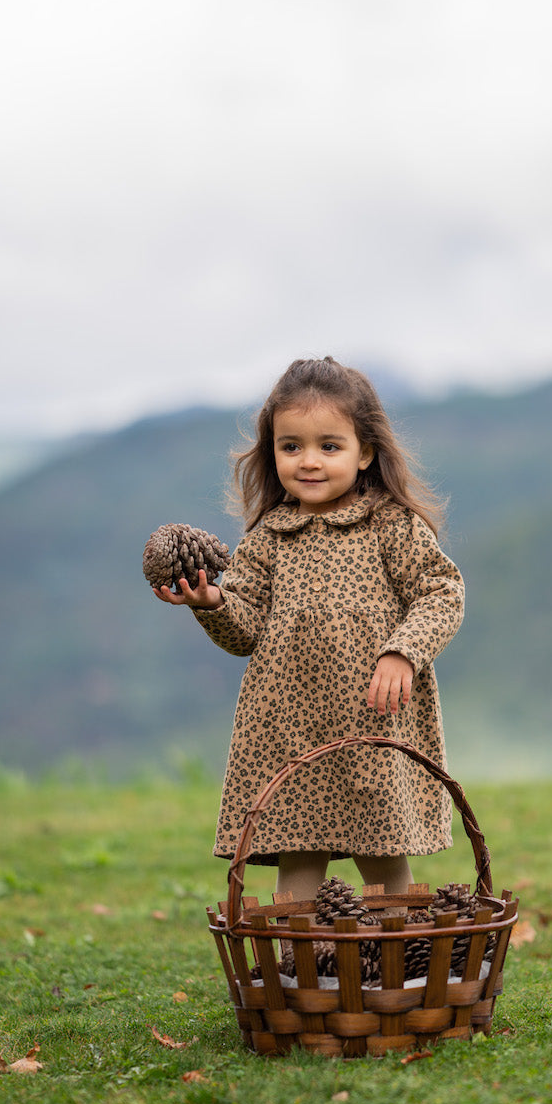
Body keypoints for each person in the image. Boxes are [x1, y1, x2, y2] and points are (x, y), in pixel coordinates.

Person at [152, 356, 464, 902]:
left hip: (373, 719)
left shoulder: (390, 524)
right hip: (288, 726)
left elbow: (443, 591)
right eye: (291, 446)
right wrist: (211, 601)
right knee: (297, 849)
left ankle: (396, 969)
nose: (309, 461)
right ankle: (303, 972)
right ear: (271, 453)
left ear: (365, 451)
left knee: (381, 851)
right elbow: (244, 630)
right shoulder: (268, 536)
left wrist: (403, 652)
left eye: (330, 445)